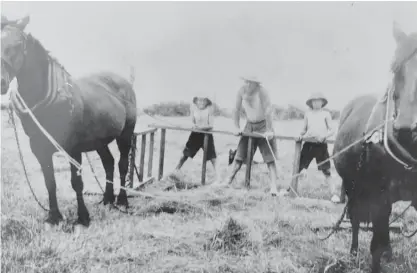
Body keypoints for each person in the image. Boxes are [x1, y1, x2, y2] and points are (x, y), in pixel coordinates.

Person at [218, 76, 279, 196]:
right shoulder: (241, 91)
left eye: (251, 83)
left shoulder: (262, 92)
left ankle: (274, 187)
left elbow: (268, 111)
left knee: (269, 159)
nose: (248, 85)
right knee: (240, 155)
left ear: (256, 84)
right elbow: (236, 109)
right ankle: (228, 181)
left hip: (263, 125)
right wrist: (236, 127)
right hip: (249, 124)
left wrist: (269, 130)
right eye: (246, 82)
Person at [279, 92, 341, 203]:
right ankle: (290, 190)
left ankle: (334, 194)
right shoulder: (308, 114)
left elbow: (332, 130)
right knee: (298, 167)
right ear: (310, 103)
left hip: (320, 145)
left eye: (318, 101)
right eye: (314, 101)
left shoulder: (326, 114)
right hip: (308, 144)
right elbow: (304, 129)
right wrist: (300, 135)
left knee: (326, 170)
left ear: (322, 102)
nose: (316, 103)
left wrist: (324, 136)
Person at [173, 96, 219, 181]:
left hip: (207, 135)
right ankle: (175, 171)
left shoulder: (210, 109)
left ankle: (219, 177)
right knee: (185, 155)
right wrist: (193, 126)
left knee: (212, 157)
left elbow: (211, 125)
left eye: (203, 100)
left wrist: (200, 128)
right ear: (196, 101)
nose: (201, 102)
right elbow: (192, 122)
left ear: (207, 101)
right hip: (195, 135)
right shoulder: (193, 108)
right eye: (199, 100)